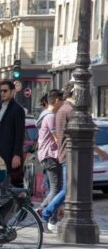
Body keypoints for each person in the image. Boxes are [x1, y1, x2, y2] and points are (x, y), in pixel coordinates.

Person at [40, 83, 108, 232]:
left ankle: (50, 213)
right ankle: (46, 212)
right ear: (76, 94)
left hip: (64, 154)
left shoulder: (62, 110)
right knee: (68, 188)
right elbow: (86, 133)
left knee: (67, 188)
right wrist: (100, 152)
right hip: (71, 155)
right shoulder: (71, 110)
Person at [35, 89, 64, 226]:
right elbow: (56, 137)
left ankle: (51, 219)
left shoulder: (45, 115)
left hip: (46, 155)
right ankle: (41, 211)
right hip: (50, 155)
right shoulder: (51, 116)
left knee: (53, 187)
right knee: (56, 189)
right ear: (57, 100)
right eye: (62, 101)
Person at [0, 79, 25, 187]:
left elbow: (20, 134)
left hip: (7, 154)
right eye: (1, 91)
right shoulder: (0, 108)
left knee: (4, 185)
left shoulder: (17, 109)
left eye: (5, 91)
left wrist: (16, 155)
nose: (2, 93)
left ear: (12, 91)